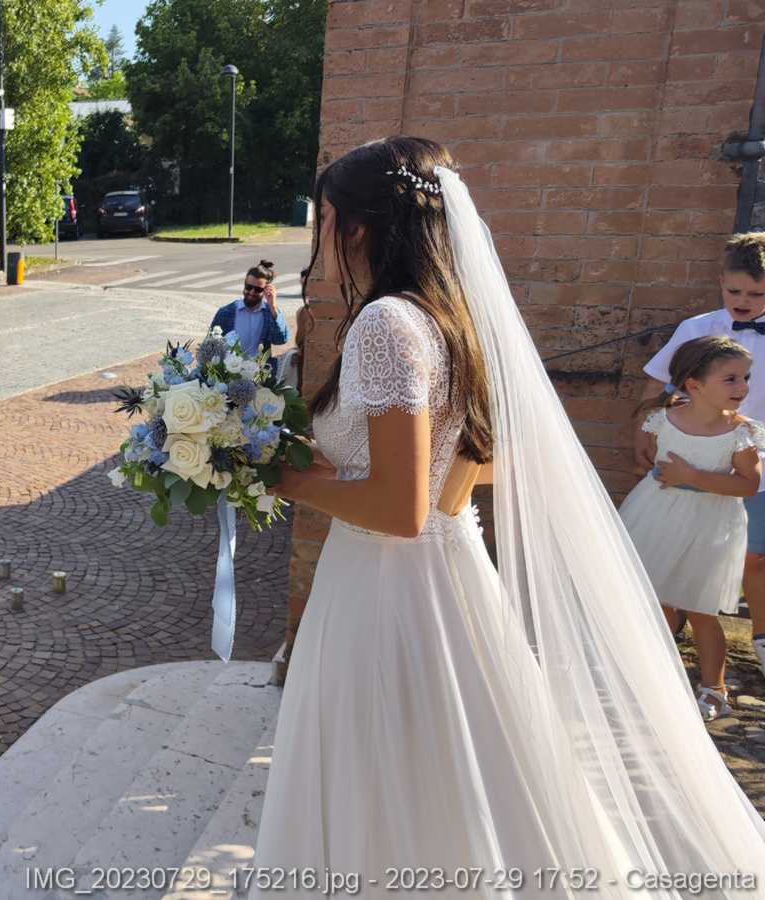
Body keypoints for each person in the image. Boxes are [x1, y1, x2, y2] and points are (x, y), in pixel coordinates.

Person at [256, 137, 765, 891]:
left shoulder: (387, 323)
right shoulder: (449, 318)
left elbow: (399, 509)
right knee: (456, 767)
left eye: (323, 216)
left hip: (385, 585)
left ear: (357, 225)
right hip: (447, 571)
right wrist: (361, 473)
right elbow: (475, 456)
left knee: (386, 767)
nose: (320, 234)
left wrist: (284, 477)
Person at [639, 232, 765, 675]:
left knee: (753, 557)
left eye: (756, 294)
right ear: (720, 282)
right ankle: (665, 637)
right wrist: (645, 428)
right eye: (735, 291)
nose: (743, 301)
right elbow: (659, 382)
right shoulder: (697, 328)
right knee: (678, 548)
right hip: (693, 454)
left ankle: (761, 637)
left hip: (752, 456)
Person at [620, 336, 763, 720]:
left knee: (701, 609)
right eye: (730, 379)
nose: (743, 386)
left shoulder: (741, 433)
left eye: (745, 377)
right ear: (695, 385)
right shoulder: (663, 419)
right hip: (657, 512)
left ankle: (715, 688)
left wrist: (693, 477)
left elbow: (748, 485)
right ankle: (655, 677)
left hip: (709, 522)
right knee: (657, 600)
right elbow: (655, 459)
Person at [209, 260, 288, 360]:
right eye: (249, 287)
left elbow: (281, 339)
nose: (251, 292)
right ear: (244, 285)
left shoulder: (269, 313)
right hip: (229, 368)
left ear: (266, 290)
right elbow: (210, 347)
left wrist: (273, 306)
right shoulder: (226, 312)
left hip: (259, 368)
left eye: (258, 289)